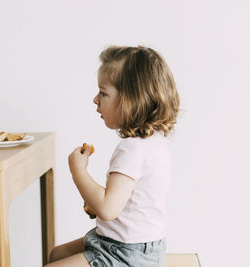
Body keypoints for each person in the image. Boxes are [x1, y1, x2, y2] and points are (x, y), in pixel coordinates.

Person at [45, 45, 180, 267]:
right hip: (137, 246)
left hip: (127, 253)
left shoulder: (133, 149)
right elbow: (128, 202)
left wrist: (77, 170)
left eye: (103, 93)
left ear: (131, 99)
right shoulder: (155, 142)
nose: (95, 100)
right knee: (57, 255)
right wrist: (94, 203)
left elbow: (107, 208)